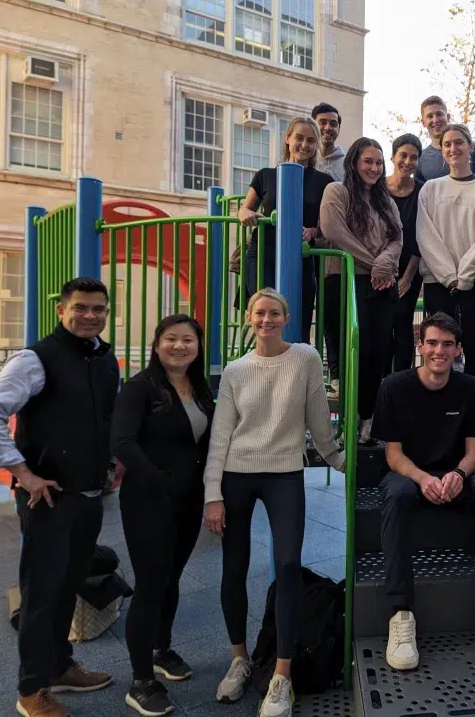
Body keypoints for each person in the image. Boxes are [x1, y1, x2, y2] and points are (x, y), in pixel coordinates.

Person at [0, 277, 118, 717]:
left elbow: (102, 418)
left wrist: (113, 460)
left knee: (69, 586)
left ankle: (59, 666)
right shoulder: (36, 359)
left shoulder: (104, 360)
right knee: (42, 594)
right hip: (48, 498)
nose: (91, 316)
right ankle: (31, 690)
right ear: (61, 310)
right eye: (82, 308)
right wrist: (23, 473)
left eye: (99, 309)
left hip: (89, 494)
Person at [203, 289, 344, 716]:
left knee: (286, 564)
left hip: (284, 470)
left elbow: (319, 419)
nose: (267, 320)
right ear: (249, 318)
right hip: (236, 473)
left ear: (286, 317)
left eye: (274, 313)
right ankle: (240, 659)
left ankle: (282, 675)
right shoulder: (235, 370)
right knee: (234, 566)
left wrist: (337, 458)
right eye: (259, 313)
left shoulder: (304, 359)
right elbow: (221, 435)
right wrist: (213, 494)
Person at [372, 313, 475, 671]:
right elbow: (393, 456)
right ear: (420, 346)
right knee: (398, 496)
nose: (440, 351)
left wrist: (457, 474)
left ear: (458, 349)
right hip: (410, 473)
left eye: (448, 344)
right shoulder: (394, 385)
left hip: (457, 472)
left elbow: (473, 453)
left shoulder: (471, 388)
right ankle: (401, 613)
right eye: (433, 343)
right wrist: (423, 479)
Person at [110, 315, 215, 717]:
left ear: (198, 347)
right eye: (171, 339)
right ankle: (140, 682)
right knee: (151, 584)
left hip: (188, 499)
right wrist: (160, 481)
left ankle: (160, 648)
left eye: (188, 340)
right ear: (156, 344)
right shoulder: (140, 388)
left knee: (171, 577)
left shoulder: (201, 388)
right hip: (149, 500)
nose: (180, 346)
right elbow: (122, 442)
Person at [320, 137, 403, 443]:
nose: (374, 168)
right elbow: (334, 232)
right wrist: (375, 264)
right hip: (347, 281)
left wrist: (385, 263)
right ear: (354, 162)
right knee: (353, 350)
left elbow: (397, 238)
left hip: (380, 286)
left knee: (377, 354)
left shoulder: (386, 202)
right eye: (368, 161)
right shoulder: (337, 192)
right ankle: (346, 424)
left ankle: (367, 420)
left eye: (379, 163)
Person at [416, 123, 475, 376]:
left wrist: (465, 274)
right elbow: (426, 236)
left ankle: (474, 408)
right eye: (447, 144)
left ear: (470, 147)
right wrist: (449, 276)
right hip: (439, 281)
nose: (453, 148)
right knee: (439, 352)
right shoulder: (430, 189)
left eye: (458, 142)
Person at [238, 117, 333, 344]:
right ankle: (264, 373)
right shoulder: (266, 175)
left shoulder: (324, 181)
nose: (304, 145)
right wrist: (246, 215)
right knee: (265, 315)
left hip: (301, 256)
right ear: (287, 138)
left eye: (311, 140)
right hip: (264, 253)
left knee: (297, 319)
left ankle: (296, 373)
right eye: (299, 138)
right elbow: (244, 208)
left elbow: (328, 224)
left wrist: (313, 231)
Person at [386, 133, 424, 373]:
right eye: (403, 155)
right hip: (378, 268)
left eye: (414, 157)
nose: (408, 161)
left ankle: (401, 380)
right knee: (379, 326)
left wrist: (408, 277)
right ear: (393, 156)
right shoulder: (378, 187)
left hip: (409, 267)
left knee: (402, 323)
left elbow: (422, 236)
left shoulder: (423, 192)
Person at [414, 95, 475, 183]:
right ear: (423, 122)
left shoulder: (473, 149)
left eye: (439, 114)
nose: (435, 120)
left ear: (448, 117)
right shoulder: (420, 160)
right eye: (430, 116)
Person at [312, 102, 346, 182]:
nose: (328, 128)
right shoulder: (305, 160)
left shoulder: (348, 165)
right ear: (313, 126)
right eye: (322, 123)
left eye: (333, 124)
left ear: (339, 129)